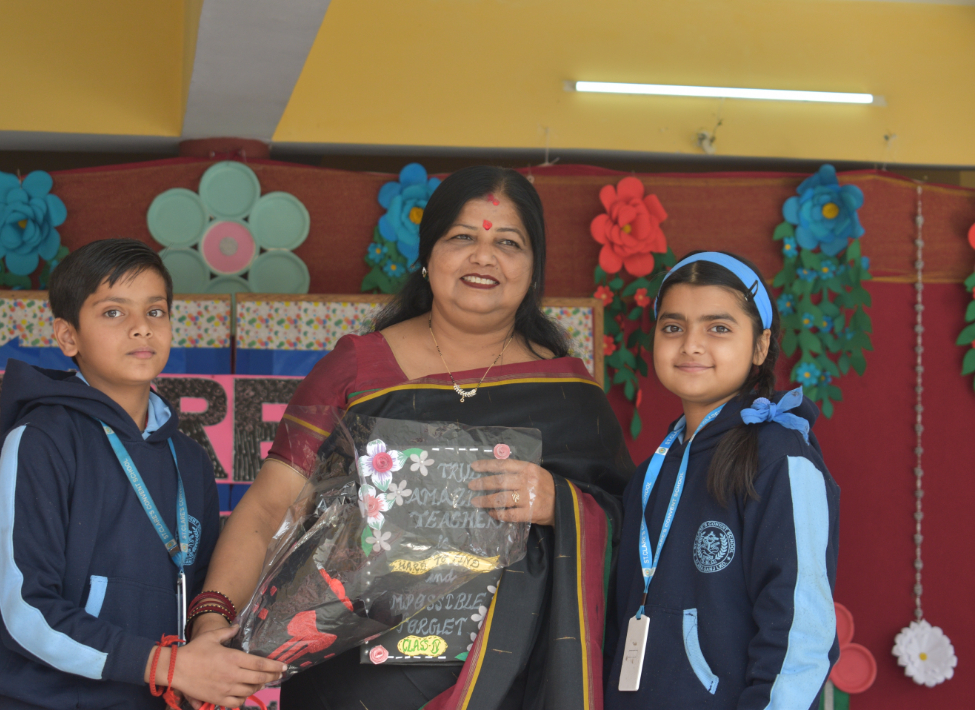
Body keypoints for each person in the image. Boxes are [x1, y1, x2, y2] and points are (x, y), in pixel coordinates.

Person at [187, 166, 634, 710]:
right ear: (428, 256)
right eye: (462, 237)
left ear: (533, 265)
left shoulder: (569, 396)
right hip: (351, 683)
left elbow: (635, 532)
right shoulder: (357, 369)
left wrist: (560, 504)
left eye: (508, 242)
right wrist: (212, 617)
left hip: (505, 683)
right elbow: (269, 507)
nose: (484, 257)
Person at [0, 239, 285, 709]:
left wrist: (209, 646)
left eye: (155, 311)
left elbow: (202, 588)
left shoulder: (189, 458)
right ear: (68, 336)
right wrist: (166, 665)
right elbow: (26, 610)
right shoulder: (40, 439)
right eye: (114, 312)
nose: (141, 327)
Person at [604, 251, 840, 708]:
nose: (691, 345)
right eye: (673, 327)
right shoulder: (652, 471)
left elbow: (800, 638)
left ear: (760, 345)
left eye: (718, 328)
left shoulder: (781, 460)